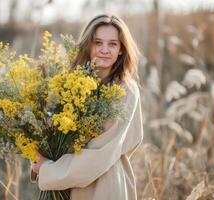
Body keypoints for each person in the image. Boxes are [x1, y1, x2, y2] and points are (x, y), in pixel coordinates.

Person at [31, 14, 144, 200]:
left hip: (104, 187)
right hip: (64, 185)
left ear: (121, 50)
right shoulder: (69, 83)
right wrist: (38, 153)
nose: (104, 50)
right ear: (88, 46)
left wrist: (48, 170)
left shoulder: (125, 90)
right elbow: (50, 134)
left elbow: (102, 153)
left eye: (113, 44)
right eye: (98, 42)